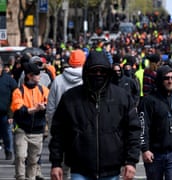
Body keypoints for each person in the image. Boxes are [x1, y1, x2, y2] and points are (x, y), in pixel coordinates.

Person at [49, 51, 141, 180]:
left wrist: (131, 161)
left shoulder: (121, 97)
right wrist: (56, 162)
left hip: (111, 168)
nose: (98, 75)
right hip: (80, 168)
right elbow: (59, 132)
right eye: (94, 71)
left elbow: (133, 130)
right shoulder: (70, 98)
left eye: (102, 71)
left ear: (108, 73)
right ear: (87, 72)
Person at [139, 65, 172, 180]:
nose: (170, 81)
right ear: (159, 80)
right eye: (166, 78)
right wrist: (145, 149)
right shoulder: (148, 101)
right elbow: (143, 126)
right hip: (154, 153)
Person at [46, 49, 86, 180]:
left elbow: (50, 108)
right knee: (81, 170)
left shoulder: (58, 81)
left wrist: (53, 129)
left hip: (62, 132)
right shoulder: (87, 81)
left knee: (61, 171)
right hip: (83, 133)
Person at [10, 62, 49, 180]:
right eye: (37, 74)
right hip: (22, 129)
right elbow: (19, 109)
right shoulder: (19, 91)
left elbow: (49, 104)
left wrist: (43, 108)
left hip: (37, 131)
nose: (40, 77)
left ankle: (30, 178)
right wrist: (34, 109)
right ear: (30, 76)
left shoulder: (44, 90)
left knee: (33, 161)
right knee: (20, 156)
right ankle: (20, 177)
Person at [0, 58, 17, 160]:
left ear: (1, 67)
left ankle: (8, 151)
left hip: (5, 113)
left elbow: (15, 97)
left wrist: (11, 114)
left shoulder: (9, 80)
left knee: (7, 133)